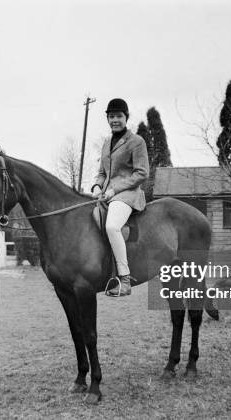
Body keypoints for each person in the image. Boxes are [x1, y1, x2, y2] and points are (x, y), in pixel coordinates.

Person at [92, 98, 149, 296]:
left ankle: (125, 279)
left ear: (126, 117)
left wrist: (114, 190)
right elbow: (102, 172)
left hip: (128, 194)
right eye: (111, 116)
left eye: (119, 116)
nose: (115, 120)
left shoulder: (137, 142)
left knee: (111, 226)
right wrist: (97, 186)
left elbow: (141, 173)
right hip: (106, 194)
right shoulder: (107, 143)